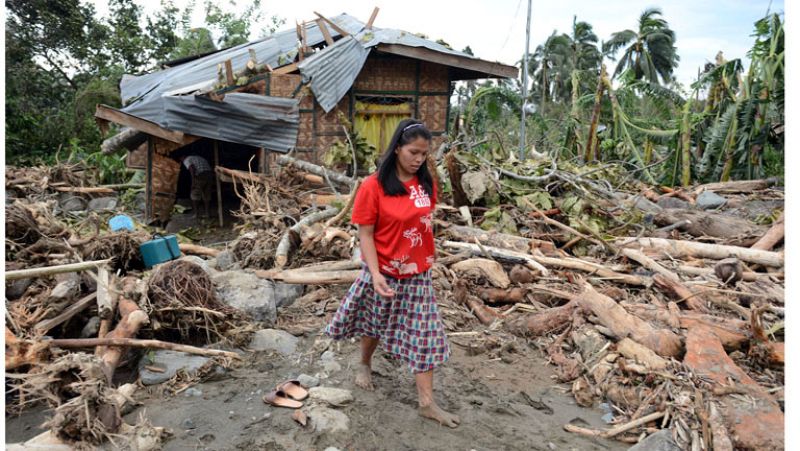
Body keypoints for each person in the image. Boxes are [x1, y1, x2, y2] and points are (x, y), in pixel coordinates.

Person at [325, 119, 460, 428]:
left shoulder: (426, 184)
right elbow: (366, 234)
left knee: (424, 334)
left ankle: (427, 403)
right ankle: (364, 363)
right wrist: (374, 273)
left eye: (424, 154)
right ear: (397, 148)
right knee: (374, 323)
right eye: (413, 152)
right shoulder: (373, 186)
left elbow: (422, 224)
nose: (419, 159)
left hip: (418, 275)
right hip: (383, 271)